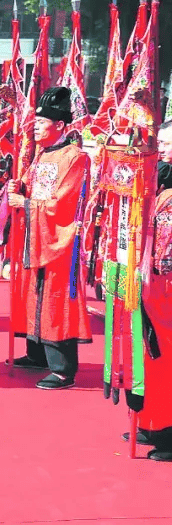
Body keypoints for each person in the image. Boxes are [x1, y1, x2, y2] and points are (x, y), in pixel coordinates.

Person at [6, 87, 91, 389]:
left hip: (59, 240)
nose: (36, 127)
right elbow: (32, 187)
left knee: (56, 300)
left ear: (60, 125)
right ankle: (37, 354)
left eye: (41, 123)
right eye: (36, 122)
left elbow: (63, 204)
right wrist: (20, 187)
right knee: (34, 294)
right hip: (37, 235)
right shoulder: (42, 154)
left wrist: (26, 203)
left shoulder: (75, 158)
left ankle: (63, 369)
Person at [139, 130, 172, 461]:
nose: (161, 149)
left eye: (166, 144)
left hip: (166, 287)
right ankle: (154, 422)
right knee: (153, 352)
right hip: (157, 287)